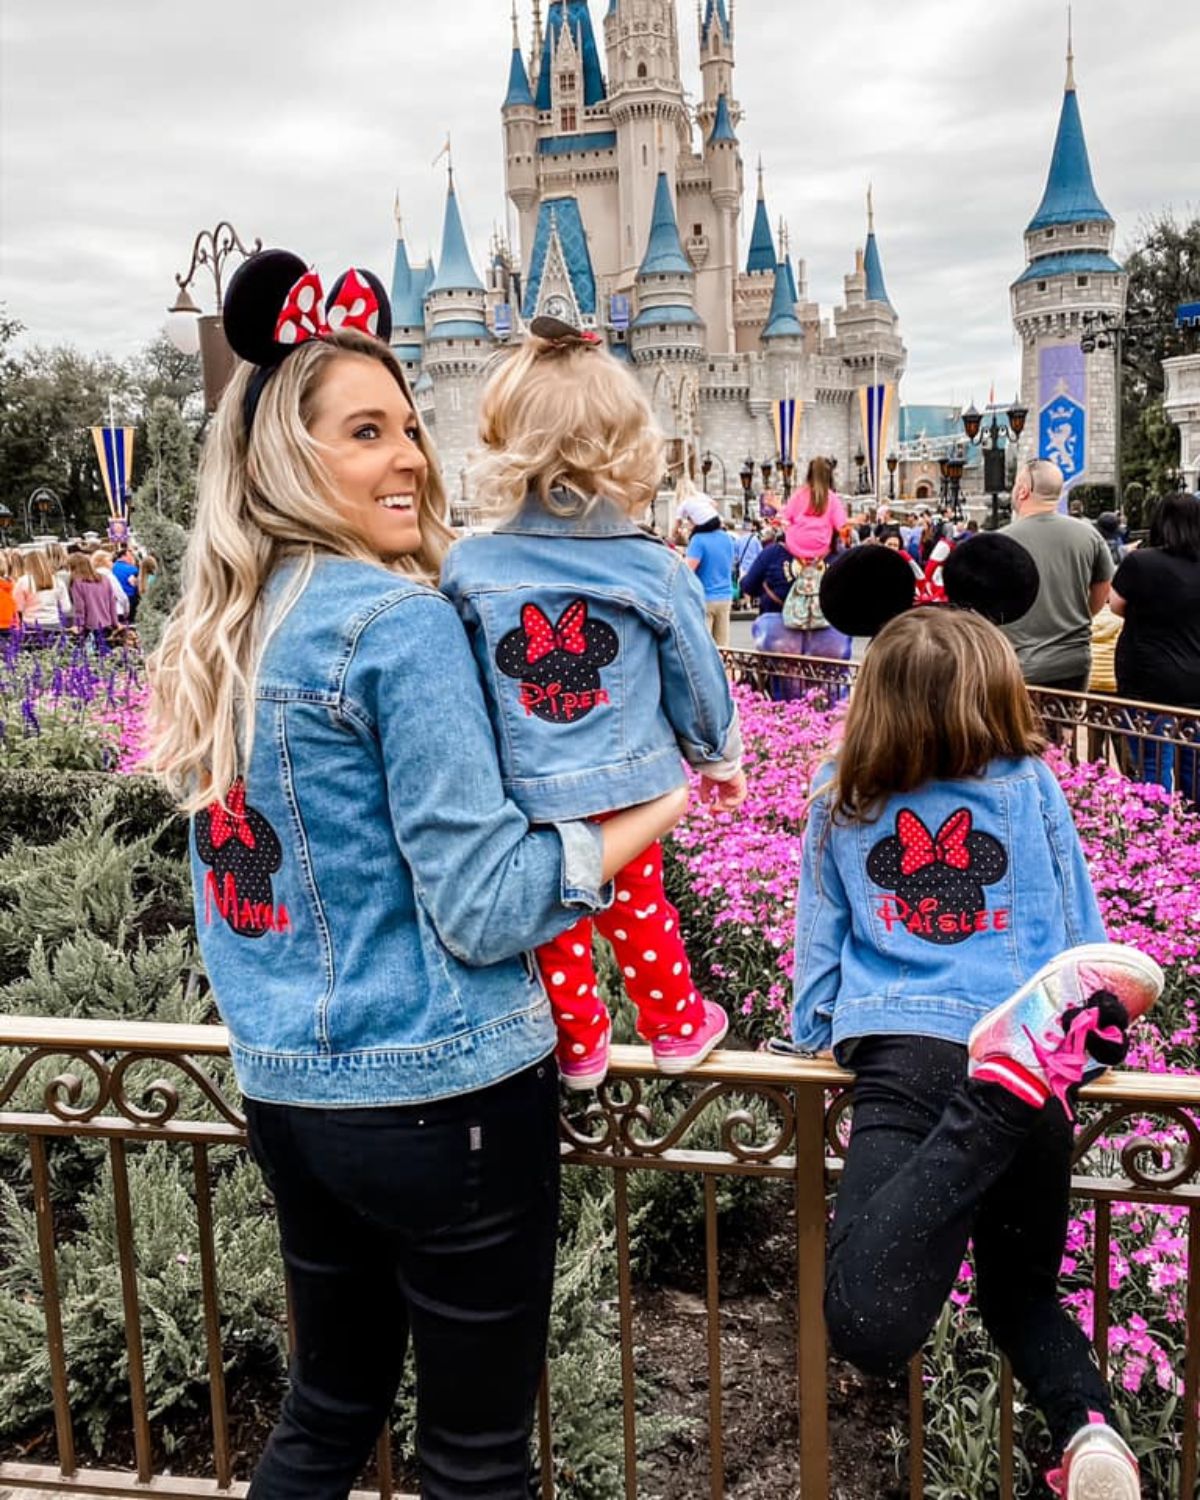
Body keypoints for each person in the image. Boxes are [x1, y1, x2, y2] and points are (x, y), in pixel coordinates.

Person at [146, 250, 687, 1500]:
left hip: (292, 1098)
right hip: (448, 1103)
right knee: (477, 1460)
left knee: (329, 1415)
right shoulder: (396, 627)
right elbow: (489, 900)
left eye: (409, 427)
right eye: (367, 432)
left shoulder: (225, 632)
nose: (412, 458)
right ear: (289, 457)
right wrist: (651, 809)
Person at [793, 556, 1163, 1500]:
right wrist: (1086, 1019)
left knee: (869, 1323)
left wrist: (808, 1034)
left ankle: (990, 1101)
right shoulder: (1031, 780)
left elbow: (820, 935)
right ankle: (1086, 1427)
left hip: (908, 1056)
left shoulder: (843, 789)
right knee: (1021, 1292)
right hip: (1030, 1049)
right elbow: (1077, 922)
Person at [442, 317, 745, 1091]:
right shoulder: (651, 566)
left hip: (529, 794)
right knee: (640, 910)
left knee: (555, 921)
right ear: (626, 446)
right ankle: (676, 1025)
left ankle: (578, 1045)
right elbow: (694, 673)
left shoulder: (470, 566)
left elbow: (462, 685)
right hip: (628, 789)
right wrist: (718, 758)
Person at [1110, 491, 1200, 805]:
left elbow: (1115, 605)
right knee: (1194, 760)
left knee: (1152, 759)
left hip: (1147, 676)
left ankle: (1156, 837)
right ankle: (1192, 837)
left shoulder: (1140, 562)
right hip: (1194, 677)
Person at [1001, 460, 1114, 692]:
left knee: (1022, 727)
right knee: (1066, 726)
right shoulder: (1090, 535)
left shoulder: (1000, 541)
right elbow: (1102, 593)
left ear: (1023, 490)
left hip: (1017, 661)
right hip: (1073, 659)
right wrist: (1075, 616)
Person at [779, 456, 847, 566]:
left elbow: (786, 517)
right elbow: (841, 525)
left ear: (809, 475)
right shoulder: (832, 498)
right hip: (821, 550)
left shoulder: (799, 494)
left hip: (795, 548)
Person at [685, 506, 737, 645]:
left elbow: (688, 569)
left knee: (704, 646)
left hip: (704, 597)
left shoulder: (698, 540)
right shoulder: (727, 538)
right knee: (723, 645)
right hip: (725, 596)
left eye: (690, 520)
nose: (688, 524)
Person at [14, 549, 69, 633]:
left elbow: (18, 607)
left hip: (31, 624)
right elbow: (66, 607)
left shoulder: (23, 581)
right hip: (53, 623)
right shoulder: (57, 581)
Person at [68, 552, 121, 639]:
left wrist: (78, 625)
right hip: (107, 623)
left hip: (89, 626)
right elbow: (112, 602)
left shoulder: (77, 583)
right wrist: (115, 622)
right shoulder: (104, 579)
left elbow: (80, 607)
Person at [111, 545, 140, 623]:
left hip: (115, 600)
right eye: (130, 556)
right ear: (123, 556)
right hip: (130, 599)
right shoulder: (132, 569)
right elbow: (136, 584)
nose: (131, 558)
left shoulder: (111, 567)